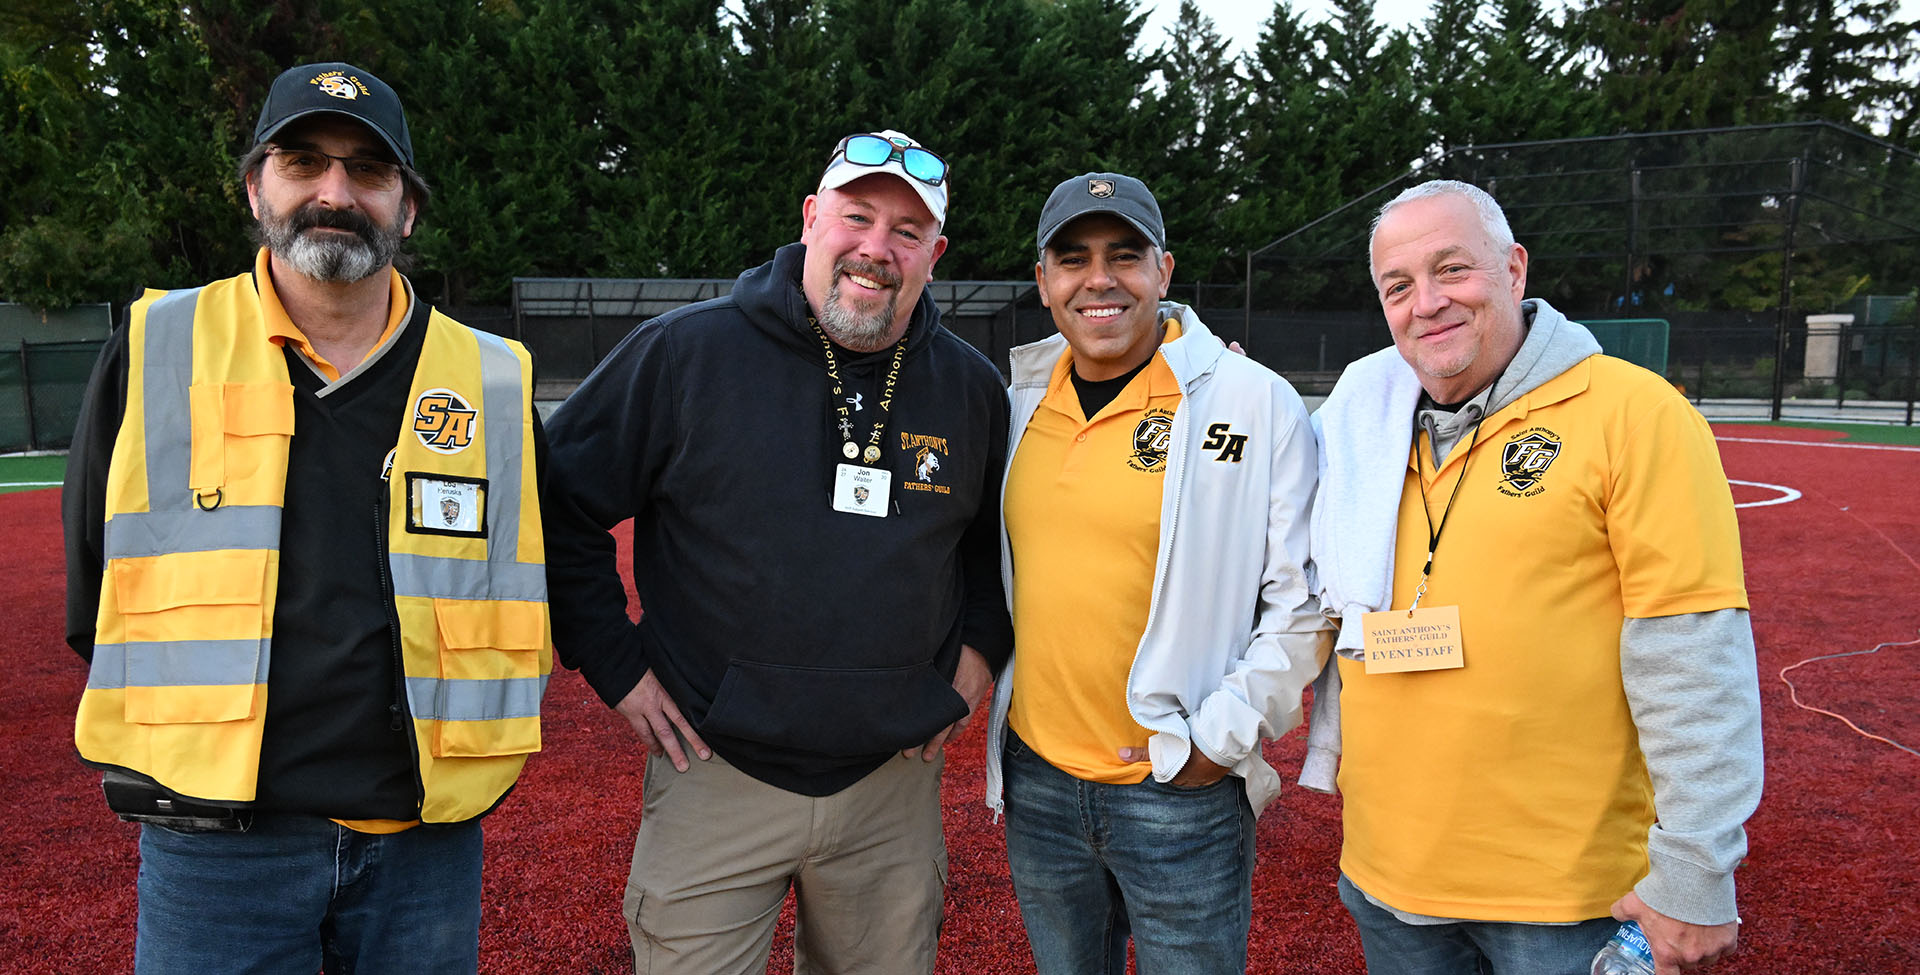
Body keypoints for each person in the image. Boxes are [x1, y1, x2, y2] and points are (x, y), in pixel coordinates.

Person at [63, 61, 550, 973]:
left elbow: (531, 571)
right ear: (256, 187)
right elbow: (95, 585)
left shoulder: (492, 377)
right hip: (217, 849)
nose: (335, 192)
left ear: (407, 207)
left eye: (368, 170)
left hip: (423, 842)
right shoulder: (159, 342)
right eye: (303, 162)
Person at [541, 129, 1012, 975]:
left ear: (934, 255)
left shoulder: (971, 386)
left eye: (907, 232)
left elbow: (990, 546)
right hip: (716, 771)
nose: (876, 248)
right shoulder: (686, 353)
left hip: (890, 786)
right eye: (857, 216)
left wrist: (980, 645)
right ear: (809, 219)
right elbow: (559, 500)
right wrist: (614, 663)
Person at [1303, 179, 1762, 975]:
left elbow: (1692, 651)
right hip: (1388, 884)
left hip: (1568, 903)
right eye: (1399, 286)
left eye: (1453, 269)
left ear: (1514, 268)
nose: (1428, 303)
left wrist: (1694, 869)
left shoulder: (1633, 412)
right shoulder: (1359, 424)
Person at [981, 172, 1331, 973]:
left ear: (1164, 271)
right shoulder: (1016, 403)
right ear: (1044, 282)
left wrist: (1219, 741)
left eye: (1124, 255)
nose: (1099, 279)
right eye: (1072, 259)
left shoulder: (1253, 401)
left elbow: (1304, 600)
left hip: (1179, 781)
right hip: (1039, 784)